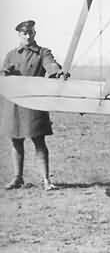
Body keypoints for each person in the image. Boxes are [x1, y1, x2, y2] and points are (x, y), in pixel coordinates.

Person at [1, 20, 65, 190]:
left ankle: (46, 180)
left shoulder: (43, 52)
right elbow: (4, 71)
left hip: (34, 103)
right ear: (19, 35)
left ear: (34, 33)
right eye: (24, 33)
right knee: (16, 141)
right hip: (14, 103)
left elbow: (50, 64)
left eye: (31, 32)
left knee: (39, 141)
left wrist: (57, 72)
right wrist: (5, 72)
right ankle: (17, 178)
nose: (28, 36)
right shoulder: (11, 55)